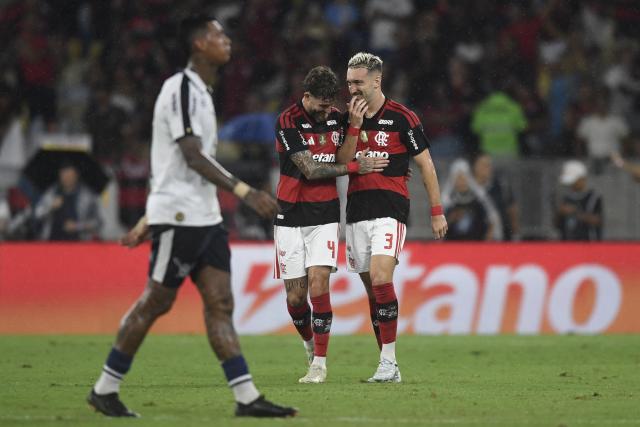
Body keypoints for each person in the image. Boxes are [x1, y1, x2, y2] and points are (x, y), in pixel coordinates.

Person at [87, 15, 296, 418]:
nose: (227, 41)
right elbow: (189, 155)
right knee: (156, 302)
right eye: (218, 34)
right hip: (180, 215)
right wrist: (244, 191)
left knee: (221, 302)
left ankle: (247, 397)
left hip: (205, 217)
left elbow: (171, 162)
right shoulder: (180, 88)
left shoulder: (202, 91)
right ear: (199, 44)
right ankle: (105, 388)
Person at [274, 65, 387, 384]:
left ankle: (320, 364)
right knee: (296, 297)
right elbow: (310, 170)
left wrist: (353, 127)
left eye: (330, 104)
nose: (327, 110)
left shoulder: (338, 117)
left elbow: (343, 155)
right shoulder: (287, 121)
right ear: (306, 96)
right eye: (321, 104)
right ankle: (310, 346)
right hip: (289, 214)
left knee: (319, 283)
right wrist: (354, 167)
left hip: (324, 213)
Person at [343, 52, 447, 382]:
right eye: (348, 83)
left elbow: (425, 164)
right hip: (357, 210)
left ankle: (388, 362)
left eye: (358, 83)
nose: (353, 90)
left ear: (377, 81)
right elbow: (341, 162)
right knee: (373, 293)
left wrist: (436, 211)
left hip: (390, 210)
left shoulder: (403, 117)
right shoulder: (347, 117)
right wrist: (355, 126)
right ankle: (387, 364)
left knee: (380, 278)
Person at [33, 162, 102, 241]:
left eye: (69, 175)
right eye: (63, 174)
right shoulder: (51, 193)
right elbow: (37, 214)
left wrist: (77, 226)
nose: (66, 178)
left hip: (79, 243)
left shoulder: (87, 196)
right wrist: (50, 206)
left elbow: (97, 223)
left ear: (76, 175)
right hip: (52, 242)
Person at [442, 158, 502, 241]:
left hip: (476, 244)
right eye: (458, 178)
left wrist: (488, 240)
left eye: (463, 178)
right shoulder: (448, 201)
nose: (461, 182)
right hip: (453, 245)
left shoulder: (478, 199)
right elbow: (439, 227)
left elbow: (491, 220)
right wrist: (452, 218)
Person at [472, 152, 519, 240]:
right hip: (475, 240)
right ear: (474, 167)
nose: (487, 168)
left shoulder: (501, 186)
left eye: (489, 165)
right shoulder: (468, 189)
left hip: (501, 238)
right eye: (483, 165)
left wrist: (515, 234)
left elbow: (512, 209)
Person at [554, 160, 603, 241]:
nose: (571, 185)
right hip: (567, 245)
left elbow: (598, 221)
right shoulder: (565, 197)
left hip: (588, 245)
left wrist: (575, 213)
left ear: (582, 179)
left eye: (574, 181)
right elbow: (557, 225)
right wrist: (560, 212)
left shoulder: (594, 197)